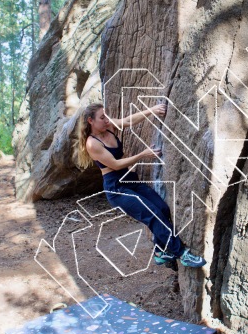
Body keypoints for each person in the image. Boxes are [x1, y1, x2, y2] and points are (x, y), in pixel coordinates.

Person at [77, 102, 206, 270]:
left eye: (106, 115)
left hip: (130, 179)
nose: (107, 119)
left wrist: (152, 110)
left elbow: (129, 121)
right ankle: (182, 254)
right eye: (102, 117)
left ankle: (160, 252)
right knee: (152, 214)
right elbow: (115, 164)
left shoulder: (108, 126)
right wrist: (143, 155)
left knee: (162, 209)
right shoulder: (92, 143)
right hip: (116, 188)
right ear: (90, 121)